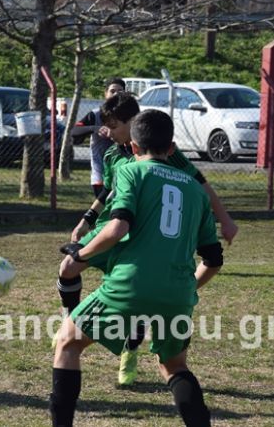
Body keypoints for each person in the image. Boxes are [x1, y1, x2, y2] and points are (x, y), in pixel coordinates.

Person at [50, 110, 224, 427]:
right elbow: (213, 260)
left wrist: (82, 252)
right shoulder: (197, 192)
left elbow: (116, 228)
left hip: (130, 286)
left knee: (67, 343)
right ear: (171, 148)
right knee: (174, 367)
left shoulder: (132, 172)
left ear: (132, 147)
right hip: (178, 295)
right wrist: (187, 290)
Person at [71, 77, 125, 198]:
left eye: (120, 91)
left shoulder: (129, 115)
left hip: (124, 172)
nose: (116, 94)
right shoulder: (95, 114)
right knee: (103, 210)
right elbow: (73, 131)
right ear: (105, 94)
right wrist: (94, 128)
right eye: (112, 91)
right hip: (100, 174)